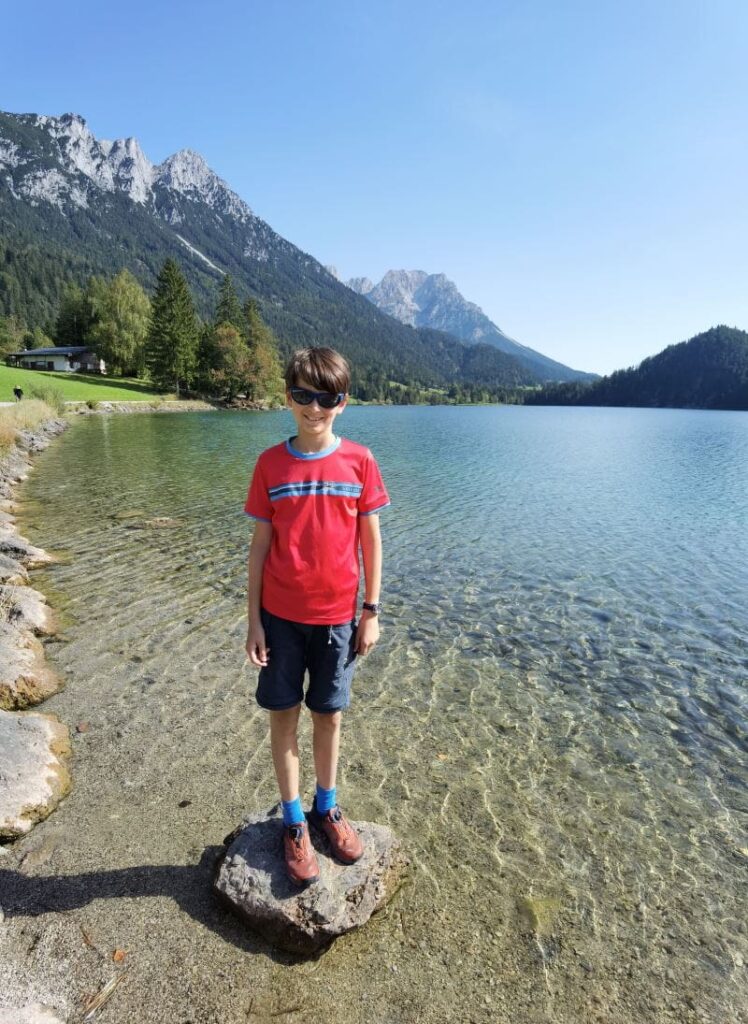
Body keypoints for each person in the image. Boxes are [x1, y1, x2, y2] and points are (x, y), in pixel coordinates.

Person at [244, 347, 389, 886]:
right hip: (279, 618)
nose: (313, 408)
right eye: (303, 396)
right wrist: (253, 621)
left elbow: (370, 541)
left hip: (337, 621)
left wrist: (370, 611)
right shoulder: (269, 464)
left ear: (343, 403)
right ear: (288, 397)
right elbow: (259, 546)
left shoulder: (360, 462)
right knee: (283, 715)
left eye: (325, 398)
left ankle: (326, 808)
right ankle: (293, 821)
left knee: (329, 716)